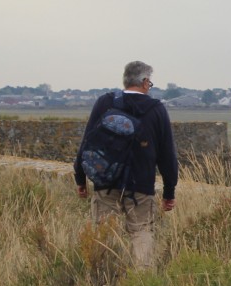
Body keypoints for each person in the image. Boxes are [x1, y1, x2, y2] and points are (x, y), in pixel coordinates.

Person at [74, 60, 178, 269]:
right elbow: (167, 155)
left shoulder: (105, 102)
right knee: (141, 232)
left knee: (104, 232)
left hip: (106, 180)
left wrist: (80, 178)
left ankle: (104, 277)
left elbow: (87, 143)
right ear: (145, 81)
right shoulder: (156, 109)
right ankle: (142, 280)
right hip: (141, 184)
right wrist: (169, 192)